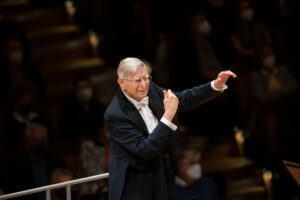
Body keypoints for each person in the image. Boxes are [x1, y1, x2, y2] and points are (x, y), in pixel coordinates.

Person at [104, 57, 236, 200]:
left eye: (146, 78)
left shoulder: (151, 88)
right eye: (138, 80)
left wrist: (215, 85)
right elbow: (145, 149)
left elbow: (181, 99)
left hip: (159, 174)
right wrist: (168, 116)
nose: (144, 85)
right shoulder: (114, 115)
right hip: (134, 185)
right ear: (122, 83)